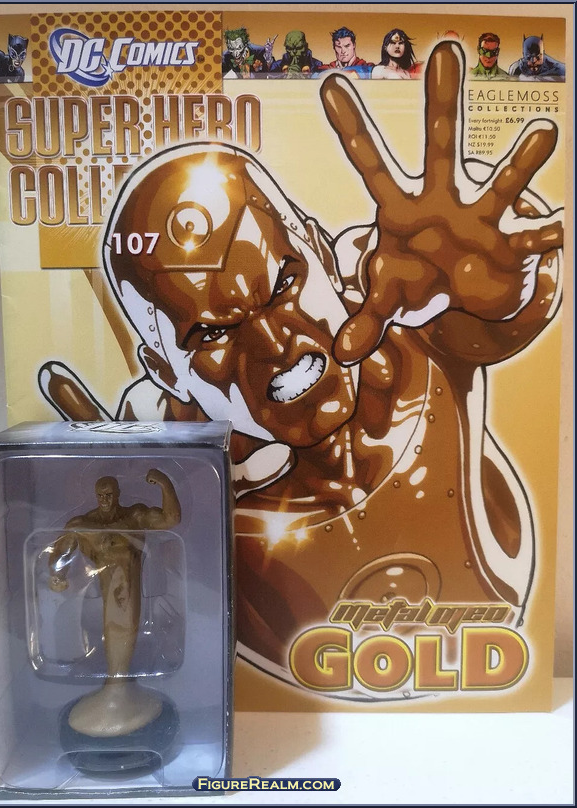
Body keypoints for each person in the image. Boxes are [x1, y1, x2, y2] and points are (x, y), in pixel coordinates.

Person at [40, 42, 563, 670]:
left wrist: (501, 277)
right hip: (290, 704)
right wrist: (131, 520)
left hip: (493, 664)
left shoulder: (403, 315)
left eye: (285, 281)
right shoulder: (194, 477)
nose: (274, 343)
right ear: (165, 372)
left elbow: (498, 314)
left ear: (319, 247)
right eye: (211, 335)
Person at [48, 470, 181, 736]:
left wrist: (164, 483)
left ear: (118, 494)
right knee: (112, 630)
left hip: (131, 586)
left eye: (109, 495)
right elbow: (61, 550)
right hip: (104, 591)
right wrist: (57, 575)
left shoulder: (134, 517)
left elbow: (170, 519)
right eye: (100, 495)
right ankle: (115, 688)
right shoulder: (84, 525)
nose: (105, 500)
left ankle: (118, 688)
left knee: (127, 629)